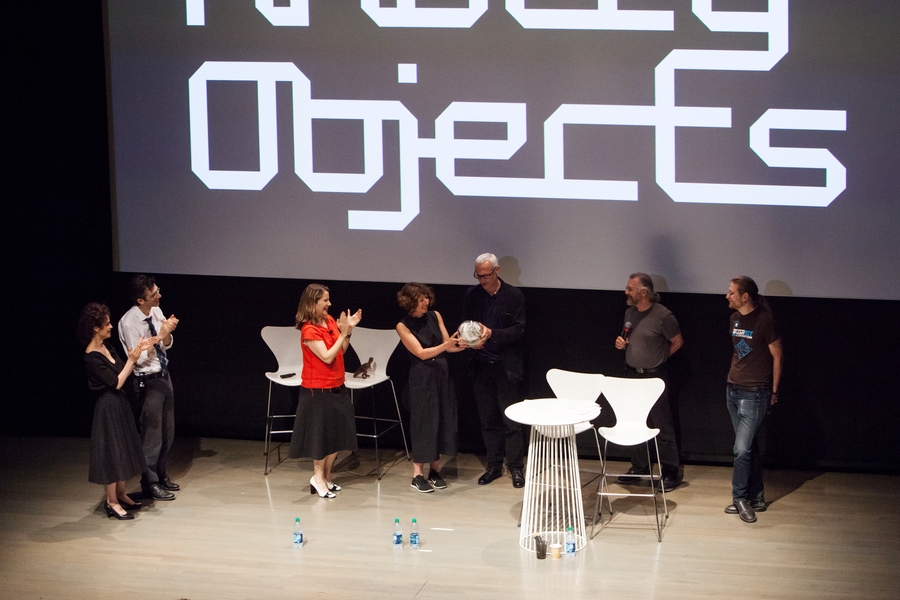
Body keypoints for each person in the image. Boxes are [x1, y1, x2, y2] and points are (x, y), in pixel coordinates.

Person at [79, 303, 154, 520]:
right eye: (107, 323)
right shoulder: (91, 357)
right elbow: (116, 382)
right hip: (107, 408)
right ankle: (111, 501)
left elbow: (123, 369)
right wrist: (132, 359)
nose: (110, 326)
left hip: (119, 405)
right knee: (112, 454)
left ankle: (121, 494)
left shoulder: (107, 347)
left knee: (123, 450)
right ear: (95, 327)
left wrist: (135, 355)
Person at [288, 284, 361, 499]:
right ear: (313, 303)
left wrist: (348, 332)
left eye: (329, 299)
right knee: (320, 438)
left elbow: (341, 350)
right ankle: (317, 477)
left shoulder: (329, 321)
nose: (329, 304)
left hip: (337, 385)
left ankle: (327, 477)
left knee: (335, 435)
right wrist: (344, 331)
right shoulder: (308, 330)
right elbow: (327, 356)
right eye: (325, 301)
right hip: (317, 390)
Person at [614, 273, 684, 491]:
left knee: (662, 424)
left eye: (630, 288)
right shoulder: (630, 312)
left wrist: (660, 359)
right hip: (632, 374)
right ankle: (639, 466)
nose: (626, 292)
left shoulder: (663, 316)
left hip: (654, 376)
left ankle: (670, 471)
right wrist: (621, 344)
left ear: (644, 292)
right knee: (635, 421)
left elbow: (677, 341)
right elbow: (629, 339)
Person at [463, 253, 527, 488]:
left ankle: (516, 468)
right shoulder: (472, 295)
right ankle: (494, 465)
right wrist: (468, 340)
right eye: (478, 276)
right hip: (481, 365)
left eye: (486, 275)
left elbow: (519, 330)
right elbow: (467, 325)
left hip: (506, 366)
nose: (482, 280)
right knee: (488, 420)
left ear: (497, 270)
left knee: (511, 421)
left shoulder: (514, 296)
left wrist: (492, 334)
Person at [396, 283, 466, 493]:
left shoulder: (435, 315)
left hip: (441, 374)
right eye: (420, 299)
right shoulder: (403, 325)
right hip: (422, 376)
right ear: (410, 301)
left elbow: (448, 344)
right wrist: (447, 346)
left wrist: (465, 344)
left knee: (442, 420)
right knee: (424, 422)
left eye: (426, 297)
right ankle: (417, 474)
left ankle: (434, 471)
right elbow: (421, 353)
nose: (425, 302)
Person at [724, 276, 783, 523]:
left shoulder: (764, 321)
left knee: (740, 450)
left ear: (744, 296)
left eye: (731, 292)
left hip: (755, 393)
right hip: (733, 390)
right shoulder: (734, 319)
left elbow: (777, 356)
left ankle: (740, 498)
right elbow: (740, 352)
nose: (727, 296)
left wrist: (774, 392)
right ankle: (757, 497)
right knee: (749, 449)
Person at [118, 275, 180, 501]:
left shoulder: (156, 311)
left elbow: (167, 345)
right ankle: (149, 482)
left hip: (164, 375)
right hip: (147, 380)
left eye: (157, 291)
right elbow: (137, 357)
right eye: (153, 294)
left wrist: (167, 334)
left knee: (168, 432)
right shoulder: (129, 322)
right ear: (139, 300)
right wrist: (159, 335)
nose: (158, 296)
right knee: (152, 436)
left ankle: (161, 475)